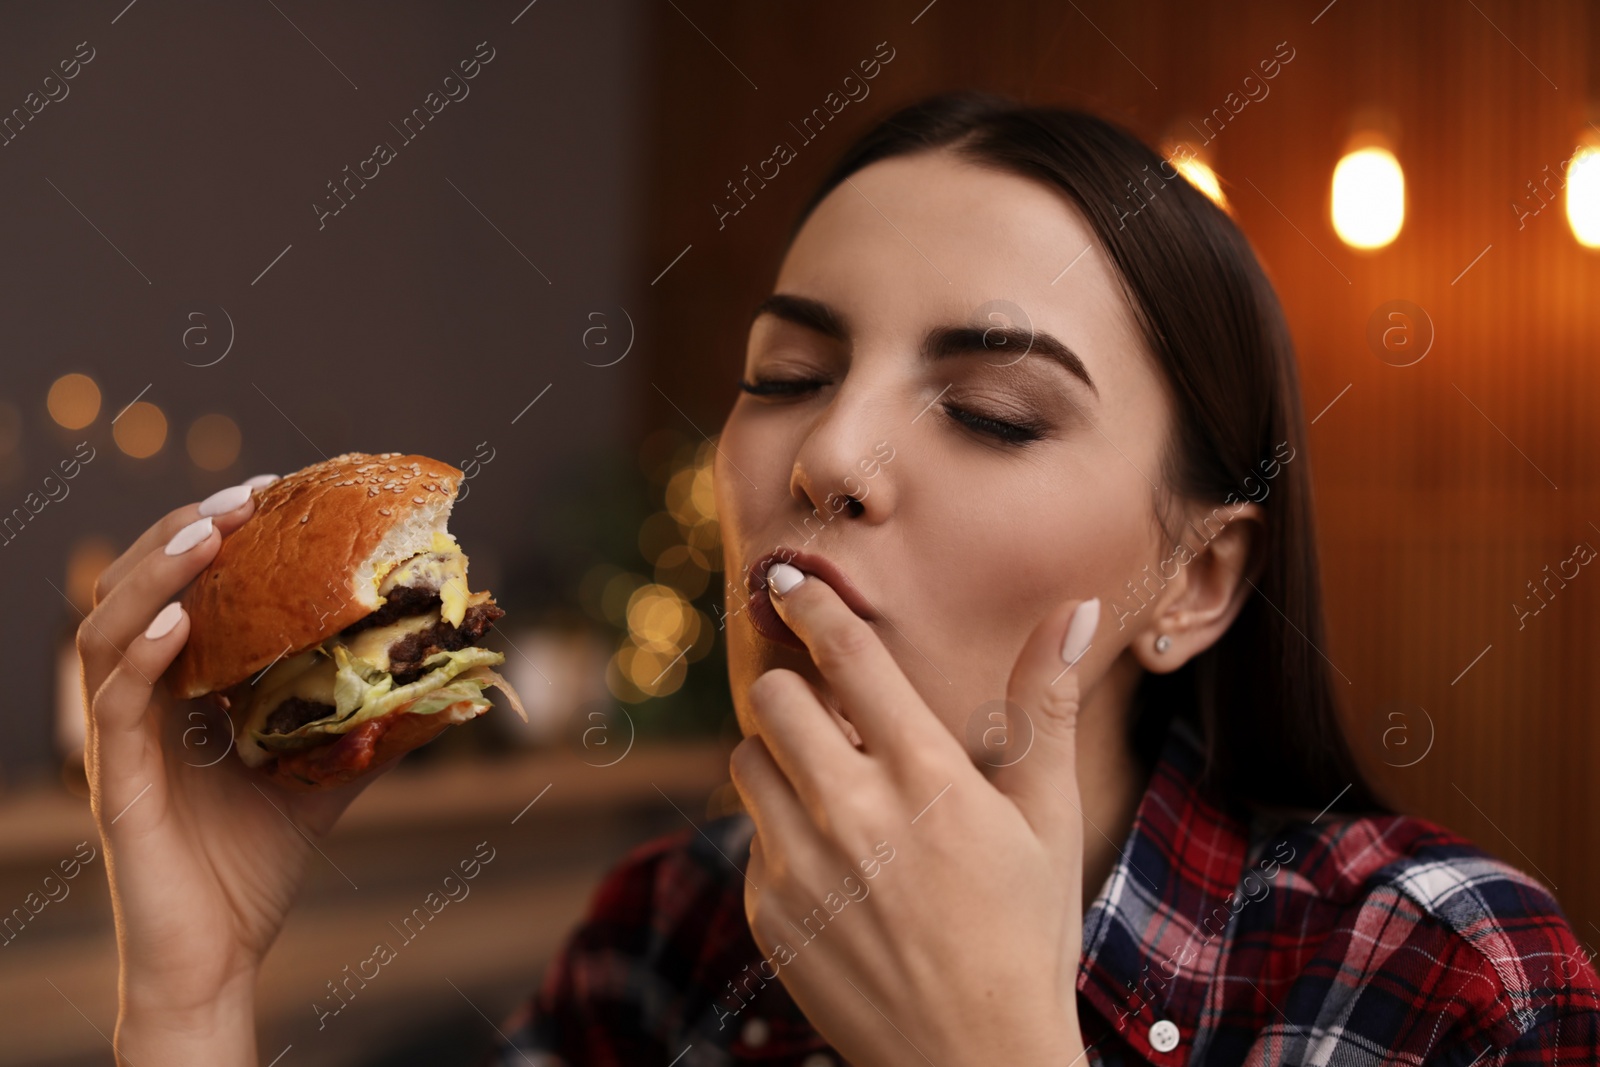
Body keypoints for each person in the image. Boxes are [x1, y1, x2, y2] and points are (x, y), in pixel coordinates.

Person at [80, 92, 1598, 1066]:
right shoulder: (660, 944)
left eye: (994, 409)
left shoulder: (1442, 983)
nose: (832, 456)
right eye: (789, 373)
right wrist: (195, 994)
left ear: (1195, 582)